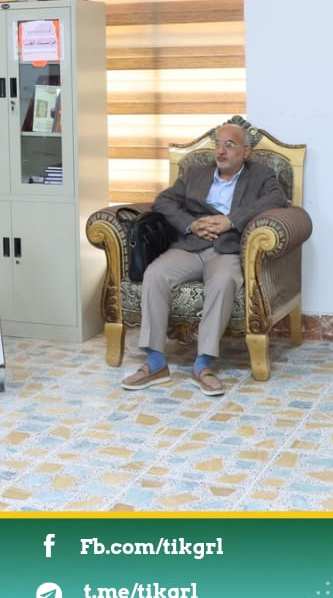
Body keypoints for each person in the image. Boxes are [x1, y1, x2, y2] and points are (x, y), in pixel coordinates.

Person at [121, 117, 289, 397]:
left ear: (246, 152)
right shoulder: (195, 172)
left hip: (228, 247)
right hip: (190, 244)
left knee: (223, 282)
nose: (221, 151)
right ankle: (156, 361)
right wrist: (191, 224)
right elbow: (163, 201)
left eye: (230, 145)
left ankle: (203, 364)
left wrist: (230, 221)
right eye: (218, 144)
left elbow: (276, 200)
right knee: (155, 274)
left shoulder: (261, 176)